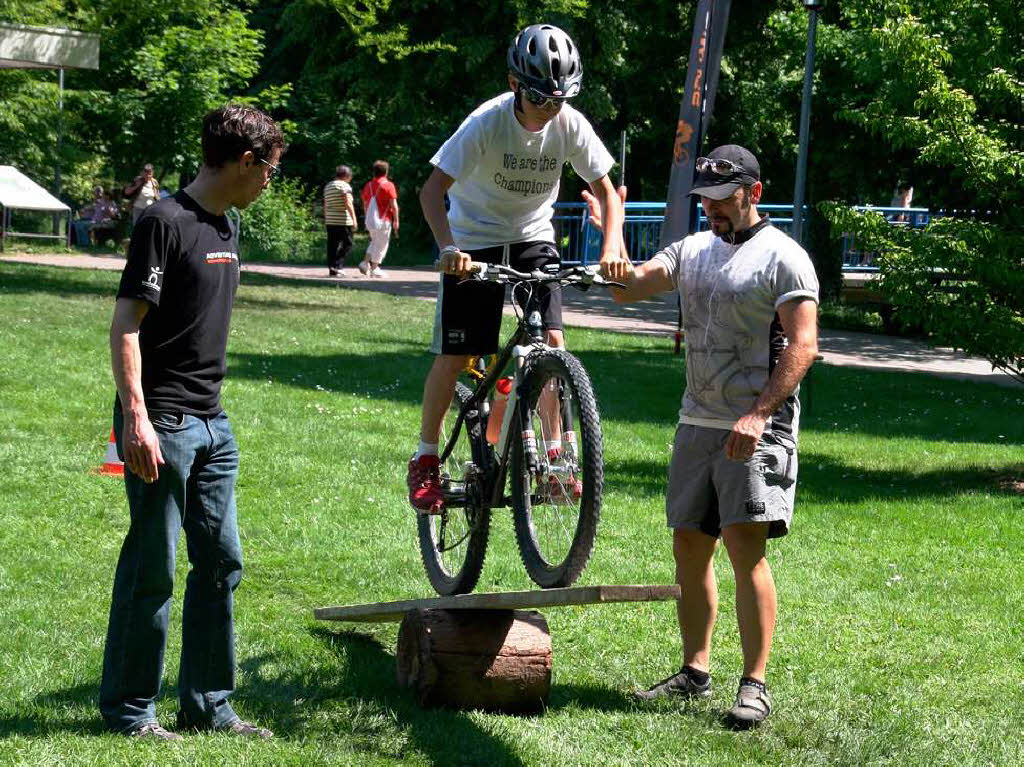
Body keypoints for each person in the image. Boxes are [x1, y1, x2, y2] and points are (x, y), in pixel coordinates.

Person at [585, 144, 819, 729]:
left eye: (721, 198)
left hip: (755, 425)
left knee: (745, 551)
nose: (711, 209)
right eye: (704, 200)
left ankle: (755, 684)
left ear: (753, 193)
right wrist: (611, 247)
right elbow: (630, 287)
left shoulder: (783, 258)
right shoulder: (693, 249)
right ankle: (694, 671)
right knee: (690, 548)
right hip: (697, 420)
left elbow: (803, 346)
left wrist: (760, 415)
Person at [100, 104, 284, 741]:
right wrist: (136, 420)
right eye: (269, 169)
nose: (270, 181)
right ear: (244, 161)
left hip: (213, 424)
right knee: (153, 567)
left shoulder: (228, 229)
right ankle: (130, 710)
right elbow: (126, 327)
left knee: (221, 563)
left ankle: (209, 705)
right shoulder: (163, 222)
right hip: (164, 424)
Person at [407, 23, 628, 513]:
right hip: (475, 239)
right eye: (542, 100)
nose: (552, 110)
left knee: (551, 345)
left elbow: (609, 192)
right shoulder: (486, 123)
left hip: (532, 237)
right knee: (457, 351)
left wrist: (612, 246)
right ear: (515, 86)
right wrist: (448, 249)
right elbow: (430, 192)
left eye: (561, 100)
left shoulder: (569, 123)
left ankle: (554, 458)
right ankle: (425, 459)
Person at [359, 160, 399, 277]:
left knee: (375, 242)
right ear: (386, 172)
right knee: (382, 244)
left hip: (370, 220)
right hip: (384, 220)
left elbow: (365, 203)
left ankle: (365, 263)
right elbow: (394, 205)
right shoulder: (389, 185)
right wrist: (396, 220)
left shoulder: (368, 186)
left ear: (374, 172)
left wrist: (368, 218)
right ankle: (374, 268)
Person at [324, 164, 358, 276]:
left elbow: (325, 204)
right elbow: (348, 203)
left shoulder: (328, 186)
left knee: (332, 245)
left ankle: (332, 268)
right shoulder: (345, 186)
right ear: (346, 175)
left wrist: (326, 218)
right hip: (343, 220)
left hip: (330, 220)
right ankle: (338, 265)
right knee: (348, 243)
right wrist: (354, 219)